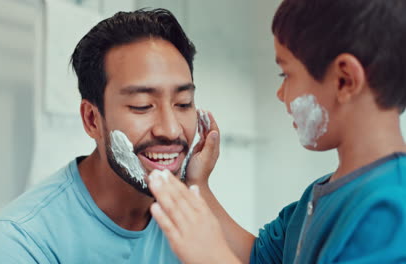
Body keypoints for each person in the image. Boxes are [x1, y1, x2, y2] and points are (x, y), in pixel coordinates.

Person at [147, 0, 406, 263]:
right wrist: (198, 184)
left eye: (286, 75)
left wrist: (212, 257)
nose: (281, 94)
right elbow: (258, 257)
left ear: (345, 80)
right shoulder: (317, 197)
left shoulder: (393, 209)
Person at [0, 8, 207, 263]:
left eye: (184, 103)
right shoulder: (19, 240)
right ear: (91, 119)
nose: (171, 129)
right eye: (142, 105)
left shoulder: (194, 220)